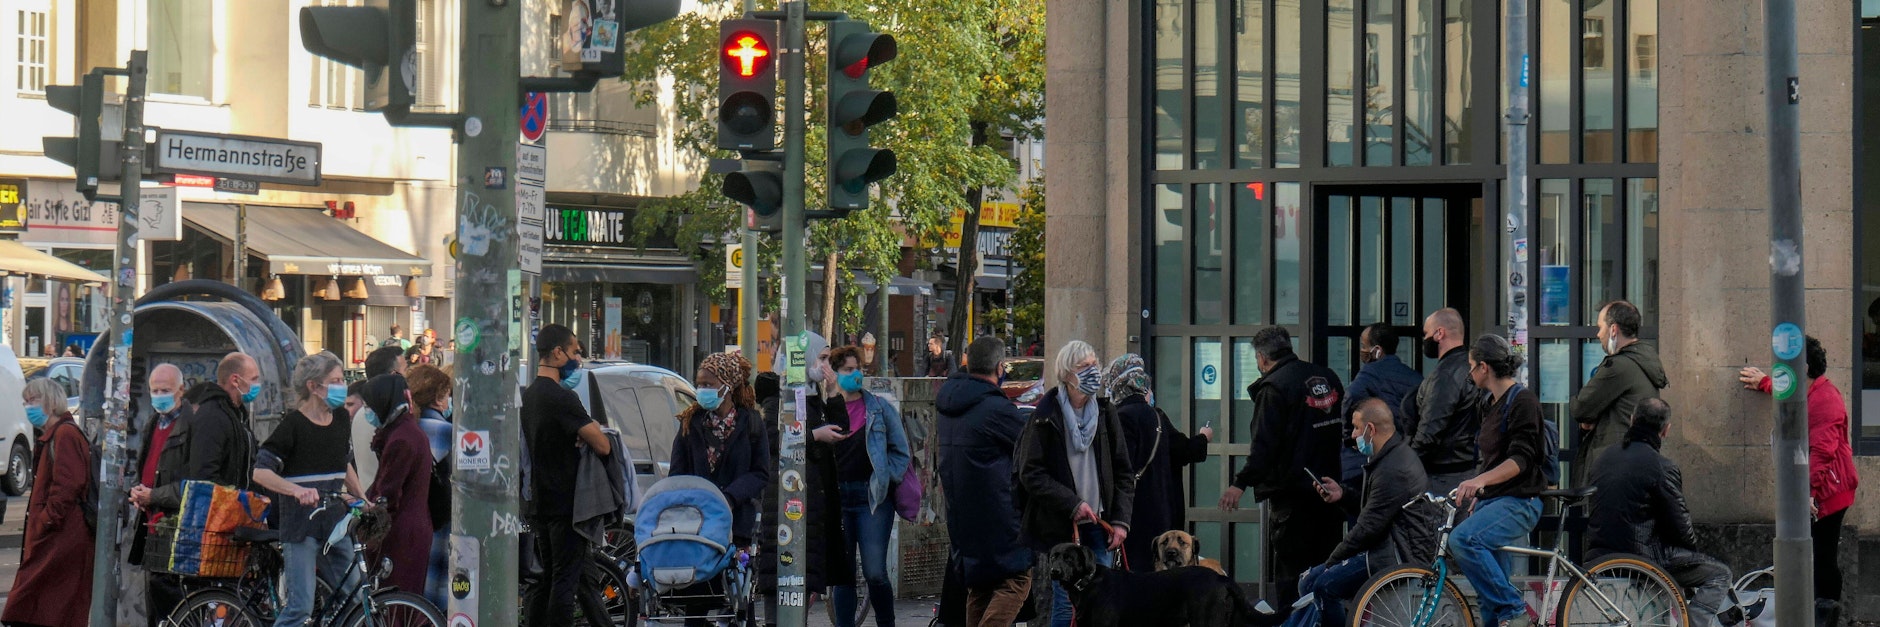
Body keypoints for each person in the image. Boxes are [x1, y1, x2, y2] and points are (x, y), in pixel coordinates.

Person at [1219, 326, 1346, 610]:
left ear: (1263, 358)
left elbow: (1264, 445)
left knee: (1293, 580)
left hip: (1293, 500)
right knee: (1327, 575)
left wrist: (1239, 484)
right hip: (1331, 493)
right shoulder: (1328, 377)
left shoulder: (1275, 387)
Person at [1587, 399, 1743, 627]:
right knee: (1720, 574)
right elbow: (1682, 529)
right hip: (1643, 558)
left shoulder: (1602, 458)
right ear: (1666, 430)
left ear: (1632, 420)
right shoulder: (1662, 466)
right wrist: (1690, 555)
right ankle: (1692, 624)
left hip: (1598, 557)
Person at [1737, 336, 1859, 625]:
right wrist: (1765, 382)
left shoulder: (1826, 399)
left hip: (1829, 490)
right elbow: (1788, 393)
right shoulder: (1808, 390)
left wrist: (1808, 494)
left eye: (1783, 362)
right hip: (1821, 488)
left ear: (1802, 367)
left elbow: (1821, 452)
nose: (1777, 366)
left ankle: (1826, 614)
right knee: (1818, 554)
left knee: (1823, 556)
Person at [1285, 398, 1437, 627]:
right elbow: (1374, 509)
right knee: (1307, 581)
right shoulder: (1387, 456)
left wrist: (1332, 561)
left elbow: (1368, 527)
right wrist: (1342, 495)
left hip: (1397, 553)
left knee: (1323, 585)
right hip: (1386, 545)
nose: (1354, 434)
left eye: (1357, 427)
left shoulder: (1393, 468)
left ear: (1371, 429)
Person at [1016, 340, 1136, 627]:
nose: (1093, 371)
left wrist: (1121, 521)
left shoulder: (1106, 414)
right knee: (1065, 602)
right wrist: (1072, 504)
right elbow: (1030, 472)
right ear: (1068, 374)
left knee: (1104, 603)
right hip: (1063, 526)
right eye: (1085, 367)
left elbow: (1123, 471)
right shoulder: (1045, 417)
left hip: (1099, 524)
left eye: (1095, 365)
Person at [250, 352, 368, 627]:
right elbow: (260, 471)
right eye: (336, 380)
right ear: (314, 386)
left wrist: (364, 498)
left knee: (353, 598)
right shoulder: (292, 426)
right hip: (301, 527)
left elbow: (344, 462)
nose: (342, 387)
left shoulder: (340, 418)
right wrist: (294, 490)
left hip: (334, 524)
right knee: (300, 608)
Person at [522, 324, 617, 627]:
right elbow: (602, 445)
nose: (578, 359)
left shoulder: (530, 396)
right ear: (558, 353)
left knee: (548, 578)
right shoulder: (563, 398)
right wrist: (590, 434)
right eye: (575, 351)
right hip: (568, 505)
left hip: (539, 501)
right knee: (563, 580)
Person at [1449, 334, 1546, 627]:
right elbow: (1492, 458)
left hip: (1520, 502)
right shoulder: (1488, 402)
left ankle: (1516, 610)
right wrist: (1483, 489)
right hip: (1495, 501)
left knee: (1463, 540)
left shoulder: (1523, 401)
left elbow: (1521, 460)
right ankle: (1506, 609)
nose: (1469, 373)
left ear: (1483, 367)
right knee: (1489, 595)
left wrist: (1478, 481)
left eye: (1470, 366)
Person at [937, 337, 1032, 627]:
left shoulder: (949, 404)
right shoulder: (996, 409)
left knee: (979, 588)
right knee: (1017, 580)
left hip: (962, 517)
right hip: (998, 516)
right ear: (1000, 367)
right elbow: (1031, 447)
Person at [814, 346, 910, 627]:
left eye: (858, 369)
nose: (855, 375)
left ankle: (886, 622)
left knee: (875, 571)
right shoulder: (824, 410)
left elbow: (901, 452)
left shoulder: (879, 408)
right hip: (837, 498)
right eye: (847, 369)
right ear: (833, 373)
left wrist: (885, 478)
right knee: (842, 575)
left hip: (872, 499)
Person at [1104, 353, 1211, 572]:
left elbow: (1120, 467)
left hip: (1132, 513)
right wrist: (1202, 438)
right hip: (1162, 511)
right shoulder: (1156, 416)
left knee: (1132, 575)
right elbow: (1184, 451)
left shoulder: (1119, 417)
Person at [3, 378, 95, 627]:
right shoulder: (57, 434)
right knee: (43, 608)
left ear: (50, 401)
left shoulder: (64, 434)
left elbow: (68, 485)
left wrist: (45, 521)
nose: (27, 406)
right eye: (25, 401)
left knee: (37, 605)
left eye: (32, 400)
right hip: (57, 537)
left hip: (61, 538)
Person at [132, 352, 260, 515]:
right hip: (156, 516)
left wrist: (154, 496)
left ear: (181, 389)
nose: (159, 396)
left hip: (177, 516)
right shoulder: (153, 423)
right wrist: (138, 491)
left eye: (165, 390)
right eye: (154, 391)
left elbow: (198, 479)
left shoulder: (208, 418)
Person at [1569, 300, 1667, 487]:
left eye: (1600, 327)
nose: (1598, 334)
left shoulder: (1617, 366)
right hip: (1637, 459)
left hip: (1614, 464)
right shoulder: (1644, 360)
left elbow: (1580, 409)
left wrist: (1589, 417)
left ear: (1613, 330)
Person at [360, 374, 433, 597]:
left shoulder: (400, 439)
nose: (367, 411)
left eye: (369, 405)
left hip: (400, 532)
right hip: (413, 526)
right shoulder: (407, 430)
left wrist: (368, 522)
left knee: (394, 600)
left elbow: (388, 494)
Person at [1402, 308, 1481, 497]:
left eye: (1426, 333)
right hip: (1470, 467)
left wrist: (1404, 466)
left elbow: (1430, 430)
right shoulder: (1476, 369)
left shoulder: (1444, 376)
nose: (1424, 339)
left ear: (1439, 333)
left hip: (1445, 475)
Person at [1339, 323, 1422, 499]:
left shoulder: (1368, 374)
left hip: (1367, 462)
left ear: (1377, 350)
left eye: (1363, 346)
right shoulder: (1414, 377)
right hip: (1404, 457)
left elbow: (1350, 399)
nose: (1361, 350)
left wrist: (1349, 437)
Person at [408, 364, 455, 610]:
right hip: (441, 519)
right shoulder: (446, 431)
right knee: (440, 583)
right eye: (447, 394)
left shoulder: (408, 427)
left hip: (414, 516)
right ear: (438, 396)